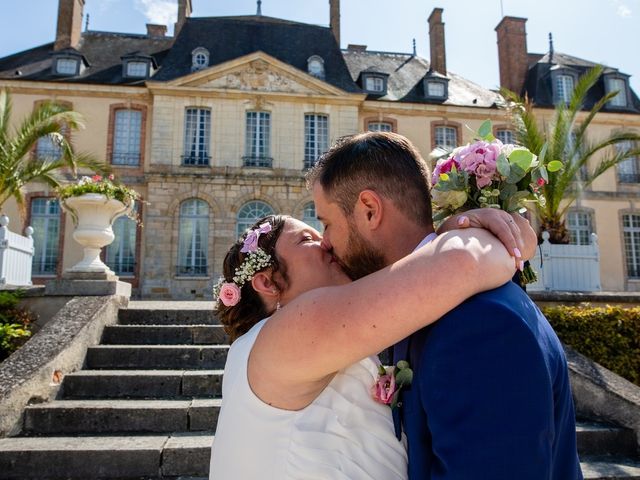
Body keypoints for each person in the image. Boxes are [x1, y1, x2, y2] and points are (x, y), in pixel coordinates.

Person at [307, 131, 583, 480]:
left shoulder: (478, 325)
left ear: (370, 210)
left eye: (327, 224)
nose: (324, 244)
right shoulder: (424, 306)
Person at [208, 208, 532, 479]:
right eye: (307, 240)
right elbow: (464, 262)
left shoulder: (270, 347)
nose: (327, 243)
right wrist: (455, 232)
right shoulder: (287, 332)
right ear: (266, 281)